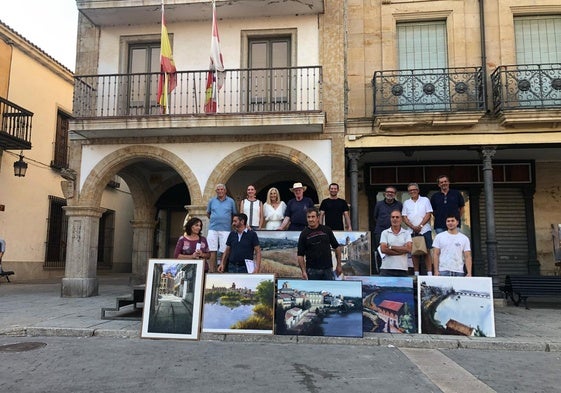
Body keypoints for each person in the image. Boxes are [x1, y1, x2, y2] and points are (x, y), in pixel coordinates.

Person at [297, 207, 342, 280]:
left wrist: (339, 265)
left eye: (313, 217)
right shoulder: (303, 234)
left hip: (328, 270)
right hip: (312, 271)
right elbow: (300, 255)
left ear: (318, 218)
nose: (310, 219)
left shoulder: (327, 230)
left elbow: (337, 247)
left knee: (329, 291)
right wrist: (303, 271)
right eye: (308, 217)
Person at [402, 182, 433, 276]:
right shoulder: (406, 202)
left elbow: (428, 214)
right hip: (411, 230)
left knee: (427, 251)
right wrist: (412, 227)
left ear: (418, 190)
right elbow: (404, 217)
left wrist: (420, 226)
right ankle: (416, 273)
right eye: (410, 190)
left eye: (414, 190)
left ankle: (429, 273)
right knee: (414, 252)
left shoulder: (425, 200)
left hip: (425, 229)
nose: (412, 191)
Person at [206, 183, 237, 272]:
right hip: (213, 228)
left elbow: (234, 214)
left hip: (226, 229)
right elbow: (208, 213)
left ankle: (222, 269)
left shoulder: (231, 201)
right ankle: (212, 271)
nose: (220, 191)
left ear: (225, 191)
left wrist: (230, 223)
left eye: (221, 189)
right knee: (212, 250)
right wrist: (215, 219)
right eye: (218, 190)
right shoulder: (211, 201)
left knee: (225, 250)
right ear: (216, 191)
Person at [372, 186, 403, 271]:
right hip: (380, 231)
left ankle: (393, 269)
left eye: (392, 192)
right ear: (384, 193)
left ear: (395, 194)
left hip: (395, 232)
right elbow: (375, 217)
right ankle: (380, 270)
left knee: (394, 250)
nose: (389, 193)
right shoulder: (379, 204)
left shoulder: (399, 205)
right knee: (381, 251)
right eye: (388, 192)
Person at [379, 210, 412, 277]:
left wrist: (391, 247)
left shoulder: (406, 233)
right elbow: (383, 250)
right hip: (386, 268)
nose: (395, 219)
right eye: (393, 217)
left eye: (397, 217)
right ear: (390, 219)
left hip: (402, 269)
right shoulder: (385, 233)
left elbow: (408, 249)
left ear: (401, 219)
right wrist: (402, 250)